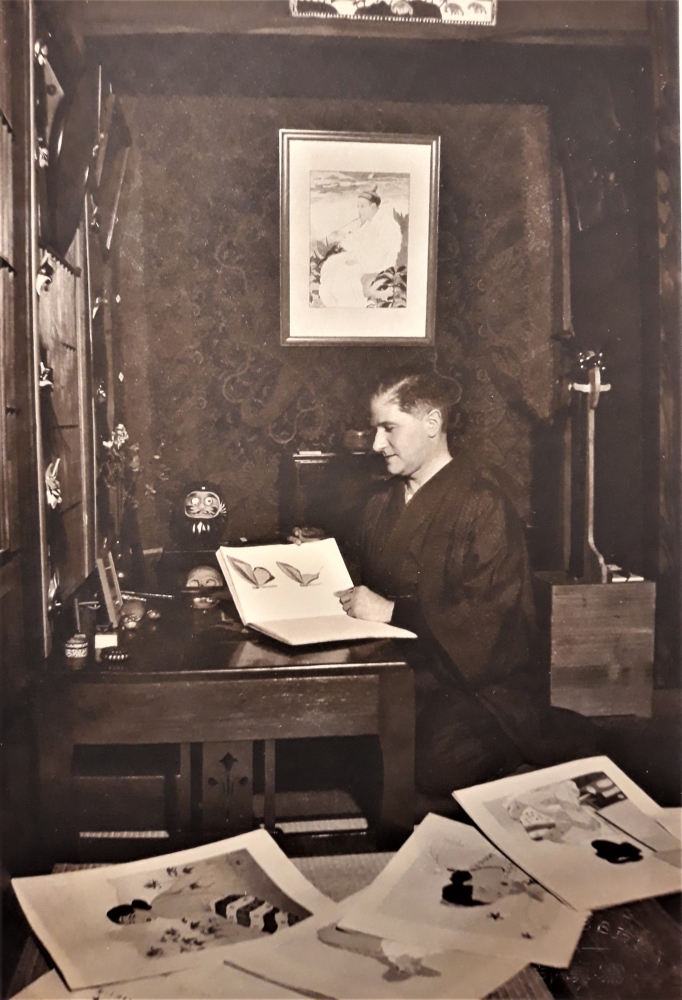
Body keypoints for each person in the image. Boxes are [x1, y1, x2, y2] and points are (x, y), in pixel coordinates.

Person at [335, 372, 601, 807]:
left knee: (426, 763)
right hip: (402, 675)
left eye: (389, 428)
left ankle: (548, 738)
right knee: (353, 746)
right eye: (374, 429)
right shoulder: (379, 505)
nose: (376, 445)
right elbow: (358, 587)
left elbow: (486, 628)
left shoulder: (484, 505)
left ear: (433, 423)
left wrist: (392, 613)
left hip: (480, 684)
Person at [318, 188, 403, 308]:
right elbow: (357, 239)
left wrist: (358, 260)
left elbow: (381, 251)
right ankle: (334, 307)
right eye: (358, 206)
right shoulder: (369, 222)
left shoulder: (387, 223)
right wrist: (341, 237)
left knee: (340, 280)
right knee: (330, 266)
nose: (359, 211)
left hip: (379, 263)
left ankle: (353, 311)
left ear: (373, 207)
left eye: (362, 207)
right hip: (365, 258)